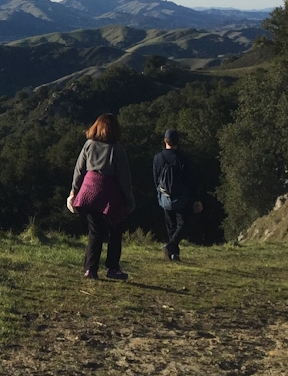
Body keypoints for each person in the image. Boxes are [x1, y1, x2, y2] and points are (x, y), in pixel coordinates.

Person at [68, 112, 136, 281]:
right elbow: (124, 178)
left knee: (95, 232)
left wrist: (73, 191)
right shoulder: (117, 150)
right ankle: (113, 268)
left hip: (89, 191)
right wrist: (129, 199)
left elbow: (79, 170)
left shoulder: (89, 145)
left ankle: (90, 269)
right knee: (115, 230)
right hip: (109, 193)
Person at [151, 128, 203, 262]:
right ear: (177, 142)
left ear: (165, 141)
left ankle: (173, 253)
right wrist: (195, 199)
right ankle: (172, 247)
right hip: (182, 197)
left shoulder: (158, 158)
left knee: (171, 226)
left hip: (165, 197)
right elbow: (191, 180)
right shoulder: (184, 159)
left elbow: (156, 179)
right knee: (184, 224)